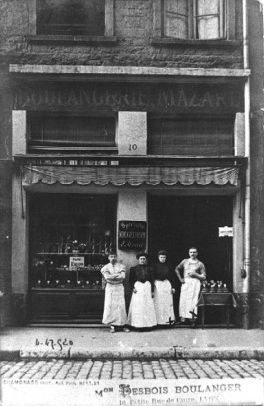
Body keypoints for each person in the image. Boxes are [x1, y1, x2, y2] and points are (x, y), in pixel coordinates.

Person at [175, 247, 206, 324]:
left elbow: (204, 276)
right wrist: (180, 279)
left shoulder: (200, 264)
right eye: (191, 252)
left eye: (194, 252)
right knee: (183, 299)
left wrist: (196, 275)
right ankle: (183, 318)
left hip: (195, 283)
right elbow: (176, 269)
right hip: (186, 282)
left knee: (193, 300)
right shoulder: (185, 261)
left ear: (197, 253)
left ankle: (192, 319)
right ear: (189, 253)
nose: (192, 254)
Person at [127, 252, 157, 330]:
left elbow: (152, 280)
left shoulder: (150, 268)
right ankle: (138, 325)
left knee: (147, 305)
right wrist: (132, 288)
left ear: (146, 260)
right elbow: (130, 280)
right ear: (138, 260)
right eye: (141, 259)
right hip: (138, 287)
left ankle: (148, 325)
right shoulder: (134, 268)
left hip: (147, 286)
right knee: (138, 305)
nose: (142, 260)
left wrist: (152, 291)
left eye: (144, 259)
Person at [101, 251, 128, 333]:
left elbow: (123, 276)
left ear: (117, 257)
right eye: (111, 256)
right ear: (108, 258)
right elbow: (107, 278)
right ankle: (112, 326)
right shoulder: (105, 267)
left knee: (121, 306)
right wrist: (117, 275)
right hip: (110, 287)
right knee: (111, 306)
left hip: (119, 287)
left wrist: (112, 276)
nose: (113, 258)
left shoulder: (121, 266)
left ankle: (122, 325)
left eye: (114, 256)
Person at [153, 250, 176, 326]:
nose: (162, 259)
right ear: (158, 257)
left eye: (164, 257)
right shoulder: (154, 266)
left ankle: (167, 321)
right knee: (158, 302)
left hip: (166, 284)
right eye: (161, 257)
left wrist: (173, 287)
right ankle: (158, 321)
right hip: (158, 284)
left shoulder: (169, 266)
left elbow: (172, 277)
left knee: (167, 302)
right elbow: (152, 277)